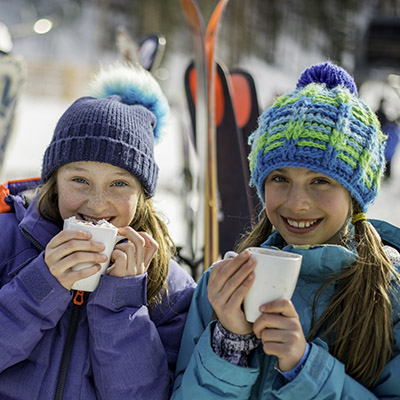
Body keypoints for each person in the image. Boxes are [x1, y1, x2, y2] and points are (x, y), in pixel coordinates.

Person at [171, 62, 400, 399]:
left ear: (355, 194)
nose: (297, 204)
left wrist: (304, 367)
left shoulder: (388, 298)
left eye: (320, 181)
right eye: (280, 178)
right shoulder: (221, 286)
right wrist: (230, 346)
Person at [0, 62, 196, 399]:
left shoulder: (169, 286)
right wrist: (41, 285)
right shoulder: (8, 240)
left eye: (120, 184)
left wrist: (122, 301)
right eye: (80, 180)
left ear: (142, 196)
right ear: (54, 182)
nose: (97, 204)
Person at [376, 99, 400, 180]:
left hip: (386, 151)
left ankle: (386, 177)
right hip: (386, 151)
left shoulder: (391, 126)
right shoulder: (388, 123)